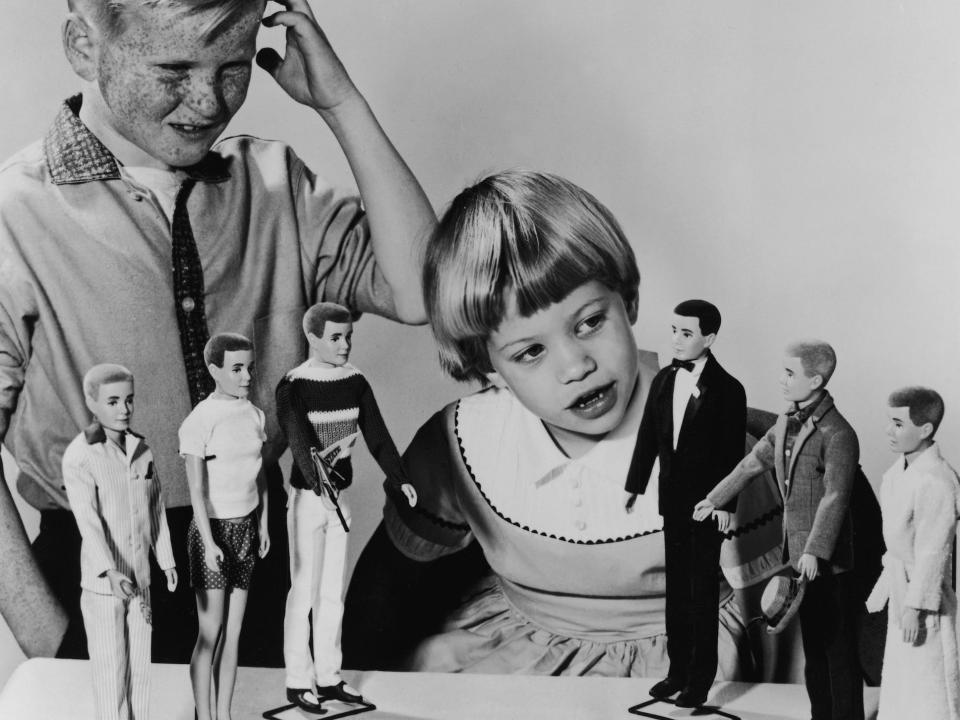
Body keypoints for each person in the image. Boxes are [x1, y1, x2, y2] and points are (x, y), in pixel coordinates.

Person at [0, 0, 435, 663]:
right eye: (173, 68)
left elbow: (418, 290)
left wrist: (340, 102)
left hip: (259, 563)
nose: (208, 100)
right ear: (84, 48)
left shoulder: (275, 185)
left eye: (233, 67)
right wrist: (51, 641)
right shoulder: (15, 215)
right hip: (100, 570)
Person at [344, 170, 778, 679]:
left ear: (628, 301)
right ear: (487, 366)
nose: (575, 366)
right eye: (530, 351)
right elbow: (387, 586)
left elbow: (780, 612)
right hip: (516, 656)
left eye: (591, 321)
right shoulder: (463, 443)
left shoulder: (711, 429)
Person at [694, 341, 864, 720]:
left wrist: (815, 551)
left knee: (837, 649)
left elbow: (835, 497)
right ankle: (822, 714)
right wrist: (716, 498)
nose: (782, 380)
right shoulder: (787, 420)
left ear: (816, 379)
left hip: (827, 561)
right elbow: (753, 462)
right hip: (798, 552)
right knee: (814, 649)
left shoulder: (839, 434)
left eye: (790, 373)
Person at [276, 302, 417, 711]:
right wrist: (320, 486)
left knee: (333, 592)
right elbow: (301, 443)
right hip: (308, 501)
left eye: (348, 337)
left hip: (341, 500)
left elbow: (377, 435)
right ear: (313, 338)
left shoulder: (355, 381)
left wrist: (400, 477)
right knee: (303, 591)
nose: (344, 345)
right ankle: (297, 680)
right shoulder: (294, 385)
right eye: (335, 338)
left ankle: (329, 675)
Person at [624, 300, 746, 708]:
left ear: (709, 338)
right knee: (676, 591)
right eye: (674, 330)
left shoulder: (728, 390)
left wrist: (726, 504)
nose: (676, 340)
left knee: (701, 594)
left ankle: (699, 678)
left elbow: (734, 455)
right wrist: (635, 485)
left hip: (707, 505)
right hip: (672, 503)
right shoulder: (663, 380)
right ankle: (676, 672)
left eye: (687, 333)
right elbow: (648, 436)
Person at [62, 364, 177, 720]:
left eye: (129, 400)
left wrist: (166, 560)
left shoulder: (142, 450)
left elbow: (155, 507)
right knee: (111, 670)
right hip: (104, 586)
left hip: (140, 578)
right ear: (92, 402)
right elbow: (88, 520)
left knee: (141, 669)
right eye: (112, 401)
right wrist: (109, 571)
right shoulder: (81, 456)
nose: (123, 410)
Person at [179, 334, 268, 720]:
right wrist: (209, 540)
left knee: (234, 635)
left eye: (249, 367)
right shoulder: (199, 421)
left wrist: (263, 524)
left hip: (246, 529)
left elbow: (259, 473)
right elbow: (196, 490)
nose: (246, 376)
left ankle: (224, 714)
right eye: (236, 368)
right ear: (214, 370)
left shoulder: (254, 415)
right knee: (210, 632)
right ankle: (205, 713)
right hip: (211, 534)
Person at [866, 387, 960, 720]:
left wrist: (915, 606)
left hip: (925, 597)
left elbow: (934, 551)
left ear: (925, 430)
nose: (889, 432)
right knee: (902, 678)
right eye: (889, 422)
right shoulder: (895, 475)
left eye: (898, 423)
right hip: (901, 588)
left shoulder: (938, 481)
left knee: (929, 677)